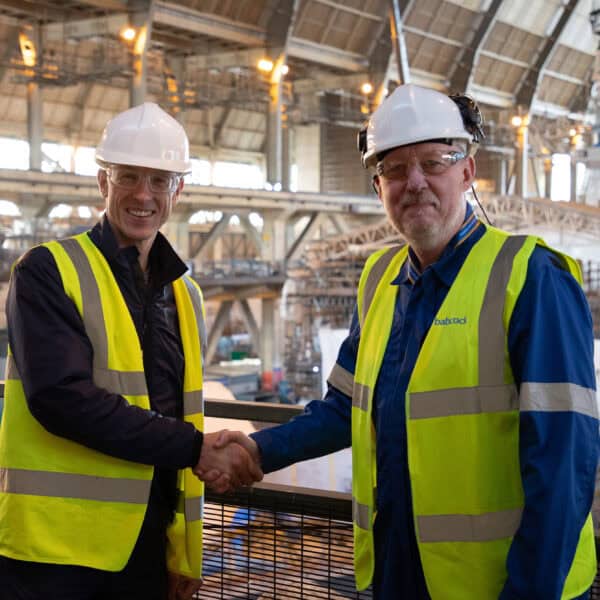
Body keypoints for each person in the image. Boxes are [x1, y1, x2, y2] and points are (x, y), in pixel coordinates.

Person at [210, 84, 599, 599]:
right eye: (394, 169)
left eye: (433, 162)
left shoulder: (530, 278)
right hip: (399, 574)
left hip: (496, 585)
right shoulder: (379, 280)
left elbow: (563, 463)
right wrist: (257, 450)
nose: (414, 182)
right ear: (378, 187)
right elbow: (344, 408)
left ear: (467, 170)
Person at [0, 102, 263, 600]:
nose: (143, 195)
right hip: (56, 557)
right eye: (128, 177)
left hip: (146, 550)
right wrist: (193, 447)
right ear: (104, 183)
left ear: (177, 191)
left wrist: (180, 550)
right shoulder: (47, 271)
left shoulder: (186, 294)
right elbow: (62, 398)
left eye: (160, 180)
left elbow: (176, 410)